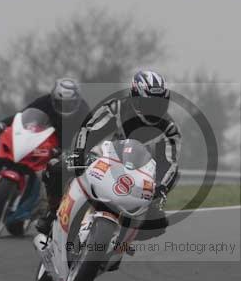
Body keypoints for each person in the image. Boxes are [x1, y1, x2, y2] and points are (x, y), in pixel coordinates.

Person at [69, 70, 181, 240]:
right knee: (57, 168)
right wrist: (79, 153)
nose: (155, 110)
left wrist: (161, 187)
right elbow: (89, 129)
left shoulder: (169, 129)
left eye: (160, 104)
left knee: (157, 224)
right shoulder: (117, 108)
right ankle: (50, 218)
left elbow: (169, 163)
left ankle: (120, 243)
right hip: (106, 160)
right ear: (135, 97)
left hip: (141, 176)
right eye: (149, 104)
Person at [0, 78, 90, 234]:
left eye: (69, 104)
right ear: (54, 97)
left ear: (76, 102)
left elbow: (90, 133)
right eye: (60, 102)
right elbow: (22, 115)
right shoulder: (45, 101)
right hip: (42, 142)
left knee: (58, 174)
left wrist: (76, 150)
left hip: (66, 147)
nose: (64, 106)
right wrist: (2, 124)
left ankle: (51, 212)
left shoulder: (83, 111)